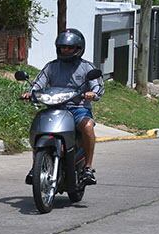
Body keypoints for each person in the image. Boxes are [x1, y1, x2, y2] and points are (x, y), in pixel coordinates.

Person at [21, 28, 104, 184]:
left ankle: (88, 167)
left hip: (78, 108)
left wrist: (93, 93)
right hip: (54, 107)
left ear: (78, 49)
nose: (65, 50)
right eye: (62, 47)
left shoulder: (87, 67)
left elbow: (97, 86)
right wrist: (30, 93)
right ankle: (36, 165)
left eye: (69, 47)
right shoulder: (51, 67)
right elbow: (38, 83)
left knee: (87, 127)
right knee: (38, 125)